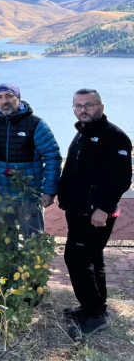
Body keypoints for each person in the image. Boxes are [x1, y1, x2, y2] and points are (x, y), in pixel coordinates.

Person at [58, 89, 132, 340]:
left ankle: (95, 315)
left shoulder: (115, 136)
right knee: (92, 260)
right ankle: (94, 306)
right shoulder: (83, 132)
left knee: (76, 260)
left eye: (88, 105)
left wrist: (103, 208)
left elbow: (121, 178)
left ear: (101, 106)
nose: (83, 110)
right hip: (78, 210)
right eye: (78, 106)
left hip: (95, 212)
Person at [0, 83, 62, 237]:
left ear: (18, 98)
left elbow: (52, 157)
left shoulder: (35, 124)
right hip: (0, 195)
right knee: (4, 240)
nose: (4, 101)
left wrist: (49, 191)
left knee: (34, 240)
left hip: (29, 194)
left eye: (9, 96)